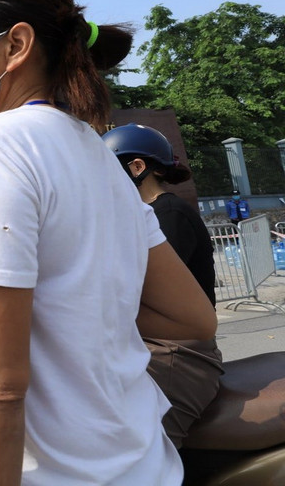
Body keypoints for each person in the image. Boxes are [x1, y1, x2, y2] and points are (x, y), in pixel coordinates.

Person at [0, 0, 217, 486]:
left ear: (15, 45)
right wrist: (83, 327)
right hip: (140, 465)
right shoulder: (100, 158)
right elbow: (193, 319)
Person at [102, 123, 223, 449]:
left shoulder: (167, 213)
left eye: (107, 167)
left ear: (137, 167)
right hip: (150, 343)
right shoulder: (145, 214)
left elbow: (139, 286)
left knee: (130, 449)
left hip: (180, 351)